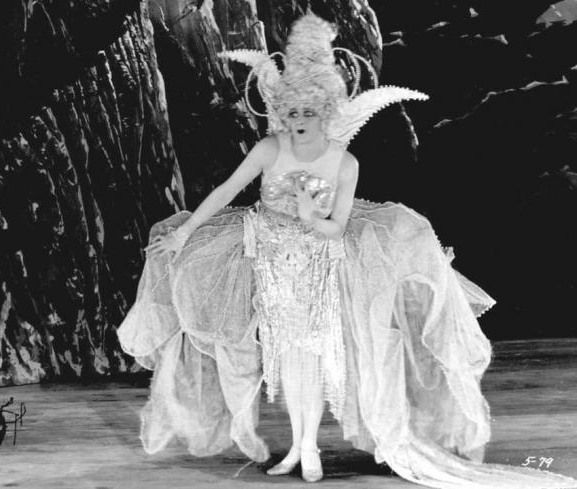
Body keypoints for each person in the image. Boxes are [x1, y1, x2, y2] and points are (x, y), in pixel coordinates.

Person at [117, 13, 577, 488]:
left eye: (308, 112)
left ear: (326, 111)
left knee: (313, 357)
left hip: (318, 265)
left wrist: (308, 214)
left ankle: (310, 448)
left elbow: (337, 228)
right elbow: (224, 191)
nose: (298, 121)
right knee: (287, 360)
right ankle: (297, 446)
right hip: (269, 262)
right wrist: (186, 232)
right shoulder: (269, 148)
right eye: (291, 112)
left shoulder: (343, 162)